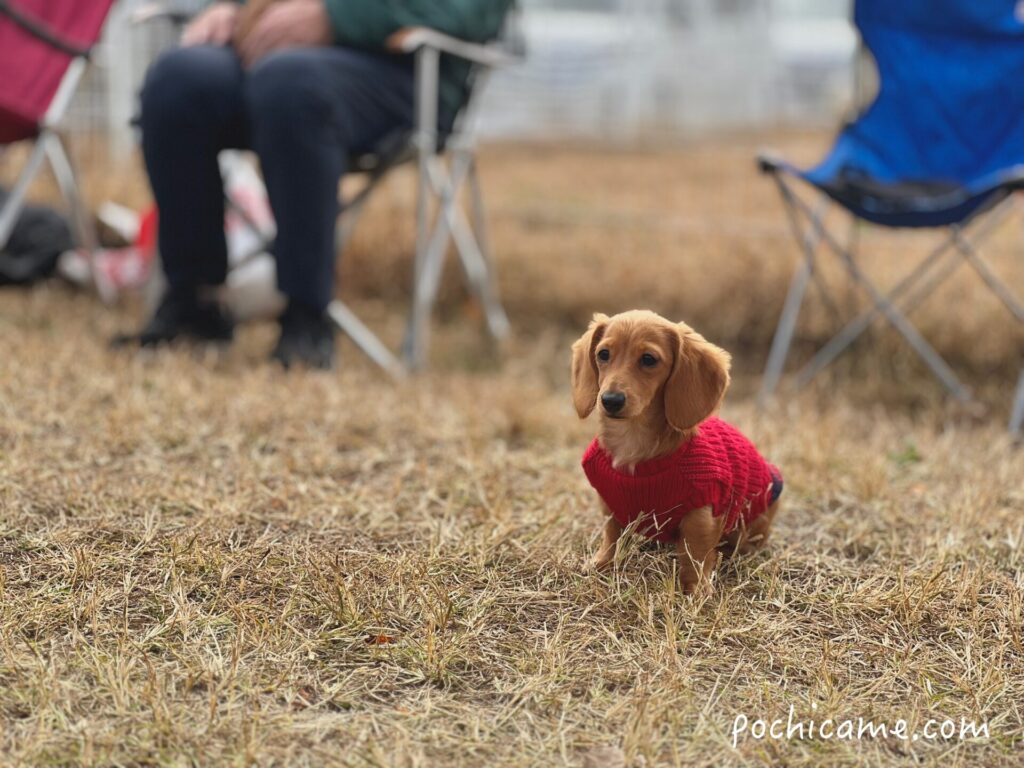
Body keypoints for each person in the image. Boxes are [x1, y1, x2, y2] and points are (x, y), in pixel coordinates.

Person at [124, 0, 512, 369]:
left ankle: (306, 316)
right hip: (274, 53)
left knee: (289, 85)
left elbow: (472, 12)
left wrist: (337, 17)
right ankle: (195, 303)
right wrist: (234, 9)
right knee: (178, 79)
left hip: (403, 68)